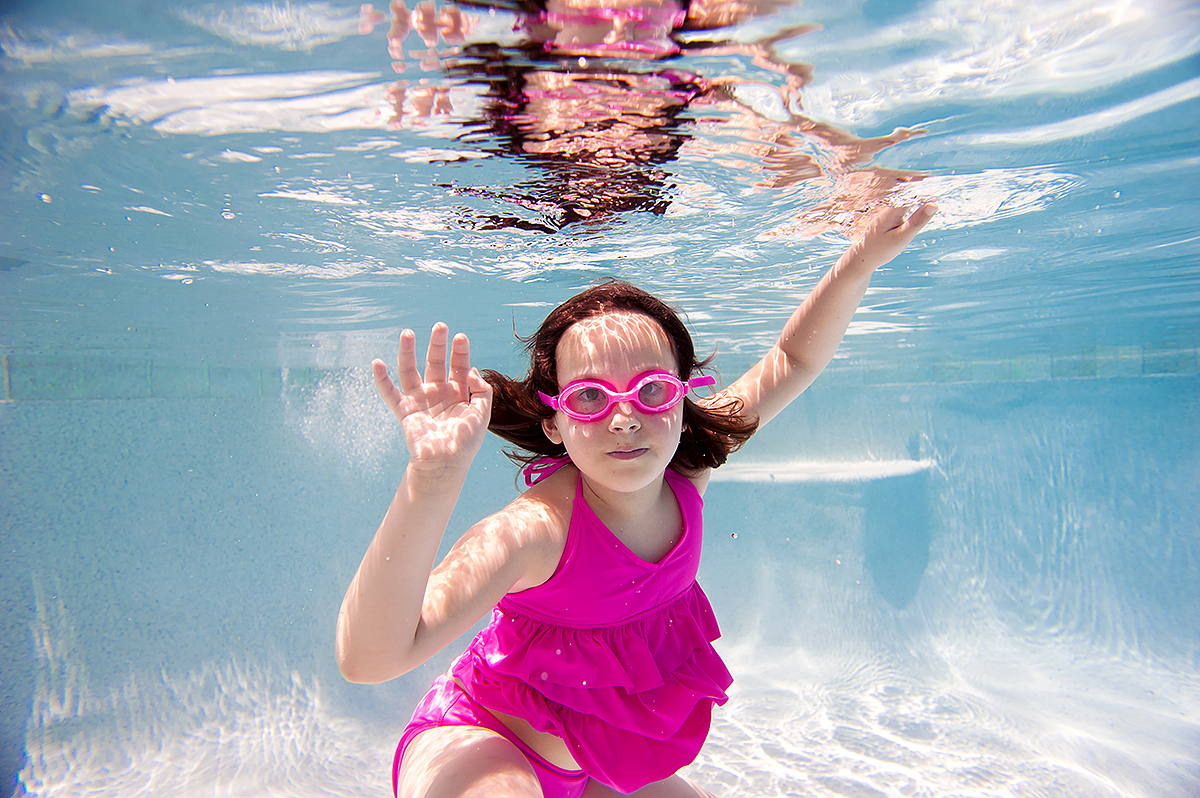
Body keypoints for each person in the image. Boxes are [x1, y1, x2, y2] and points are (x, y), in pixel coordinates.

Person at [336, 200, 938, 797]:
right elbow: (369, 660)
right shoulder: (535, 533)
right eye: (590, 397)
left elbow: (793, 358)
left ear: (682, 401)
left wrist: (859, 262)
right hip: (475, 742)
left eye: (651, 390)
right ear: (554, 423)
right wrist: (432, 480)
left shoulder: (687, 474)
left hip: (591, 770)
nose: (625, 419)